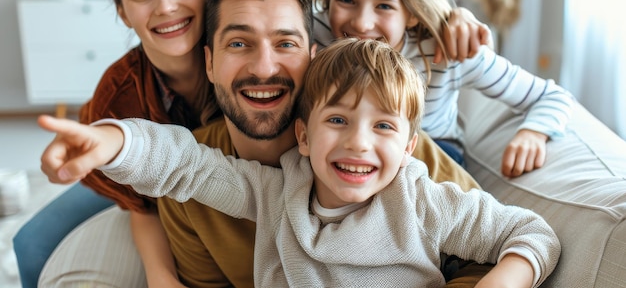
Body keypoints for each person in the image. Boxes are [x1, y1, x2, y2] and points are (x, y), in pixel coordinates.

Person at [40, 0, 496, 288]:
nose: (263, 67)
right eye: (239, 44)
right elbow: (169, 162)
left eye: (285, 43)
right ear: (210, 63)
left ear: (314, 57)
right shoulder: (194, 189)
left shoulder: (393, 156)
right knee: (37, 244)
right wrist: (111, 138)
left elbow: (493, 251)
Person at [38, 38, 561, 288]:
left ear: (407, 148)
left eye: (383, 126)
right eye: (339, 121)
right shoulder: (274, 192)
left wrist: (500, 283)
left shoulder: (422, 200)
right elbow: (186, 164)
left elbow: (533, 234)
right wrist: (112, 142)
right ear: (304, 136)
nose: (359, 143)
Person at [14, 0, 218, 288]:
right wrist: (161, 276)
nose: (167, 6)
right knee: (28, 244)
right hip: (147, 196)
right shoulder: (119, 92)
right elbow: (140, 204)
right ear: (123, 12)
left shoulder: (243, 59)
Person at [313, 0, 574, 174]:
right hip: (350, 153)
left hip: (433, 156)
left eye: (384, 6)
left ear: (412, 12)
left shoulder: (447, 49)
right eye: (346, 0)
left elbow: (553, 96)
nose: (362, 22)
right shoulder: (315, 32)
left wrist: (532, 134)